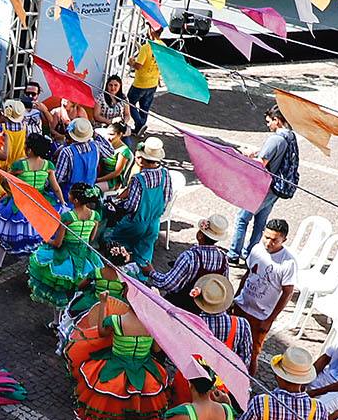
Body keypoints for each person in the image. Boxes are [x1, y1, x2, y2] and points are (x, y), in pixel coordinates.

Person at [65, 290, 173, 420]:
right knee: (136, 415)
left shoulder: (118, 321)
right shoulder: (152, 325)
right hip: (145, 376)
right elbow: (156, 348)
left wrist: (104, 304)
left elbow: (100, 331)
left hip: (114, 375)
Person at [231, 106, 300, 260]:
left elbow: (261, 163)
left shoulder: (275, 138)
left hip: (264, 187)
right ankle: (250, 254)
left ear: (277, 120)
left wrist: (246, 155)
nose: (268, 125)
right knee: (260, 222)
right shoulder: (291, 136)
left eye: (269, 121)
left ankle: (234, 254)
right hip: (277, 188)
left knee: (242, 219)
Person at [28, 185, 106, 319]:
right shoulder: (95, 215)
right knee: (77, 290)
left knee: (59, 291)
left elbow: (58, 243)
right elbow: (91, 238)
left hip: (66, 254)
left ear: (75, 200)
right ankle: (69, 318)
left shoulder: (67, 217)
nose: (68, 195)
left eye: (70, 194)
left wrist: (47, 240)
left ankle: (57, 321)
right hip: (85, 255)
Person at [0, 141, 61, 270]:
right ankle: (32, 268)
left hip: (20, 203)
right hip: (40, 204)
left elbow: (6, 179)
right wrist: (62, 203)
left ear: (30, 150)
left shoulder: (20, 165)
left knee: (6, 236)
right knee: (37, 237)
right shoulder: (48, 165)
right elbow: (55, 188)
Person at [103, 136, 171, 268]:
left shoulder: (139, 179)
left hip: (136, 222)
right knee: (144, 253)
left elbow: (132, 206)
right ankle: (141, 278)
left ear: (143, 159)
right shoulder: (165, 174)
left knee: (114, 242)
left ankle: (115, 273)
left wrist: (119, 204)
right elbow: (167, 197)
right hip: (154, 223)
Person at [235, 218, 297, 351]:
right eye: (266, 237)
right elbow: (248, 274)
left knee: (252, 352)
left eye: (274, 240)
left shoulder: (288, 263)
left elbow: (288, 293)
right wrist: (235, 297)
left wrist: (270, 320)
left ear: (284, 240)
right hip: (241, 306)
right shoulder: (257, 249)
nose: (269, 243)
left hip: (260, 316)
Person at [151, 212, 232, 308]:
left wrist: (151, 272)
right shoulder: (223, 258)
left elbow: (169, 284)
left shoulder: (190, 257)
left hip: (182, 306)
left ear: (200, 236)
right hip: (205, 308)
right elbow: (223, 285)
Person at [191, 273, 255, 363]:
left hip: (198, 372)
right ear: (225, 299)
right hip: (226, 375)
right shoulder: (242, 325)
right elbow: (245, 360)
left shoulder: (193, 323)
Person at [126, 28, 163, 131]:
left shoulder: (146, 47)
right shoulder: (163, 46)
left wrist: (131, 62)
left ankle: (140, 124)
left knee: (129, 102)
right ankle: (140, 128)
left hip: (140, 83)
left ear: (151, 31)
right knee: (145, 107)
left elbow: (138, 66)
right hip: (153, 83)